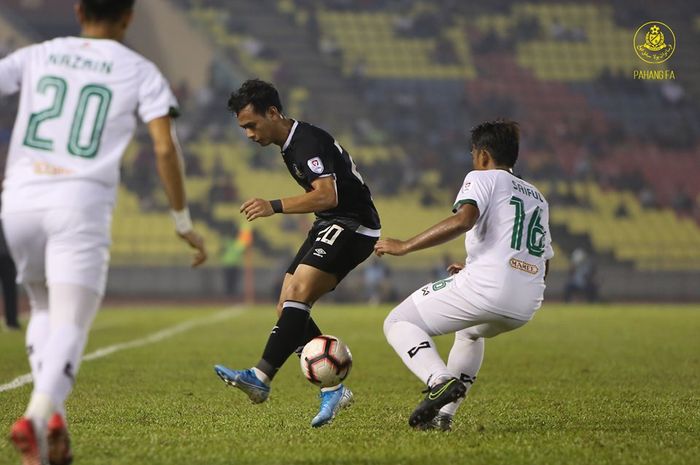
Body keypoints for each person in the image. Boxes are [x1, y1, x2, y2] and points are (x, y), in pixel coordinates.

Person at [0, 1, 208, 463]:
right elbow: (163, 146)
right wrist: (182, 222)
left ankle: (55, 423)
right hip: (79, 204)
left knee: (42, 306)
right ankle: (34, 419)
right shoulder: (140, 69)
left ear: (78, 11)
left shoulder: (39, 53)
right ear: (129, 16)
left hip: (19, 198)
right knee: (72, 321)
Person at [214, 79, 381, 427]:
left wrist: (272, 206)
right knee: (287, 304)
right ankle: (332, 389)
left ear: (273, 113)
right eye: (243, 127)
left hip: (353, 224)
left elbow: (327, 195)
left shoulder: (305, 142)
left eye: (251, 125)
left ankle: (260, 377)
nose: (248, 134)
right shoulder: (291, 144)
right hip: (331, 222)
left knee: (299, 294)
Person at [375, 120, 553, 431]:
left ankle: (439, 380)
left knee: (397, 322)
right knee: (470, 332)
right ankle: (444, 417)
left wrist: (404, 245)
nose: (473, 161)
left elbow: (463, 220)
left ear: (483, 155)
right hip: (526, 303)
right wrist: (481, 270)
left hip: (488, 289)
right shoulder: (537, 197)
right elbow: (543, 259)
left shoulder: (482, 177)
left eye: (473, 154)